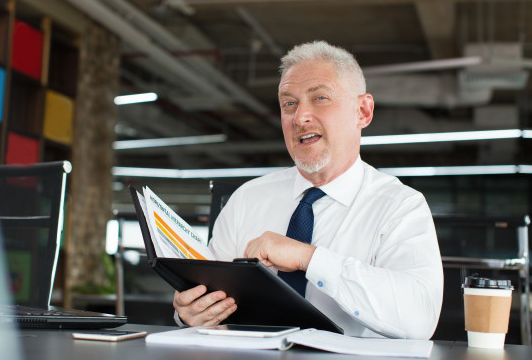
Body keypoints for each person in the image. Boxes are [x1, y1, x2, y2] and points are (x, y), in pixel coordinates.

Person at [172, 40, 443, 340]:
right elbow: (203, 301)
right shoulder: (246, 199)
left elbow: (419, 319)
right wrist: (190, 314)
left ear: (363, 111)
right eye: (289, 103)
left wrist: (309, 258)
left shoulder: (400, 206)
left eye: (320, 98)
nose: (299, 117)